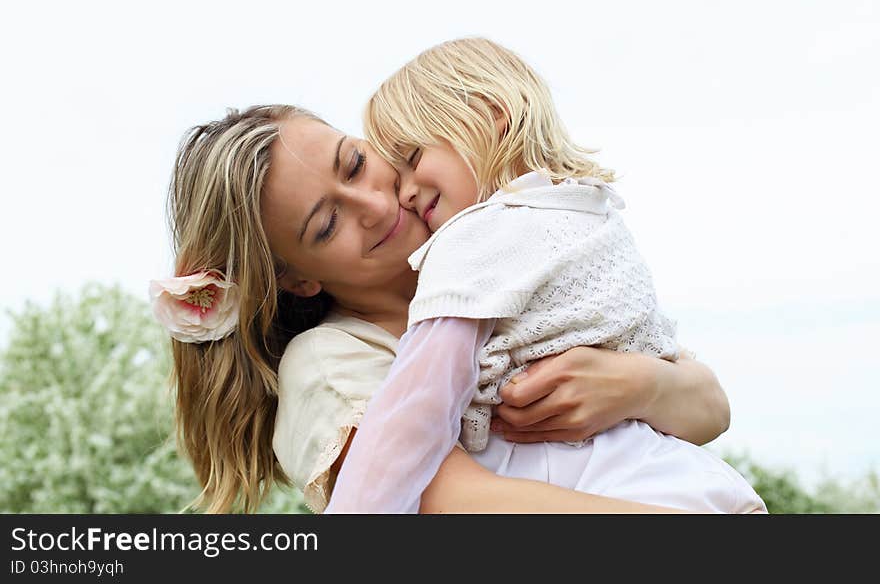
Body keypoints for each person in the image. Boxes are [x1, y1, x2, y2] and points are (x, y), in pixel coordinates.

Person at [152, 103, 735, 514]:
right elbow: (458, 506)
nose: (375, 204)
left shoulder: (493, 250)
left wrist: (637, 387)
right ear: (296, 278)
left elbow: (710, 409)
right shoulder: (331, 364)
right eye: (327, 225)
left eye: (355, 163)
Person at [322, 37, 766, 514]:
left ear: (491, 113)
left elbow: (416, 407)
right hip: (684, 479)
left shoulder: (475, 237)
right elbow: (683, 377)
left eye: (412, 159)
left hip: (614, 490)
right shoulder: (588, 211)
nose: (405, 193)